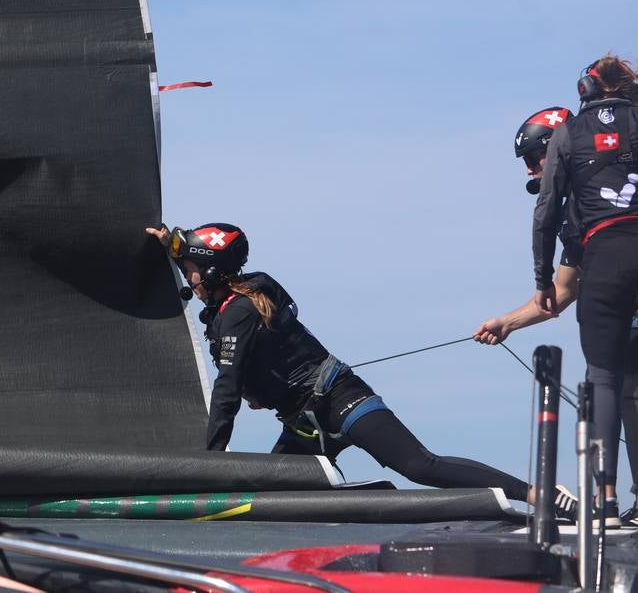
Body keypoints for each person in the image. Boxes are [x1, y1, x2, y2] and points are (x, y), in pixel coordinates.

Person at [147, 221, 577, 520]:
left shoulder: (237, 312)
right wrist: (171, 244)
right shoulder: (232, 300)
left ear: (212, 271)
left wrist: (208, 467)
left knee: (420, 466)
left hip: (339, 398)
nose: (189, 279)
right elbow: (201, 256)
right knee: (266, 501)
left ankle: (538, 495)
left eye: (191, 271)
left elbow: (227, 391)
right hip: (304, 423)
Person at [473, 106, 638, 526]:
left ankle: (610, 503)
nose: (529, 170)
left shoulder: (590, 198)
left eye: (533, 159)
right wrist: (505, 323)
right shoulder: (580, 208)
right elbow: (560, 294)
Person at [533, 55, 638, 526]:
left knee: (605, 376)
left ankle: (607, 501)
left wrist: (541, 278)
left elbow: (547, 208)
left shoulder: (567, 133)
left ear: (586, 89)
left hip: (604, 257)